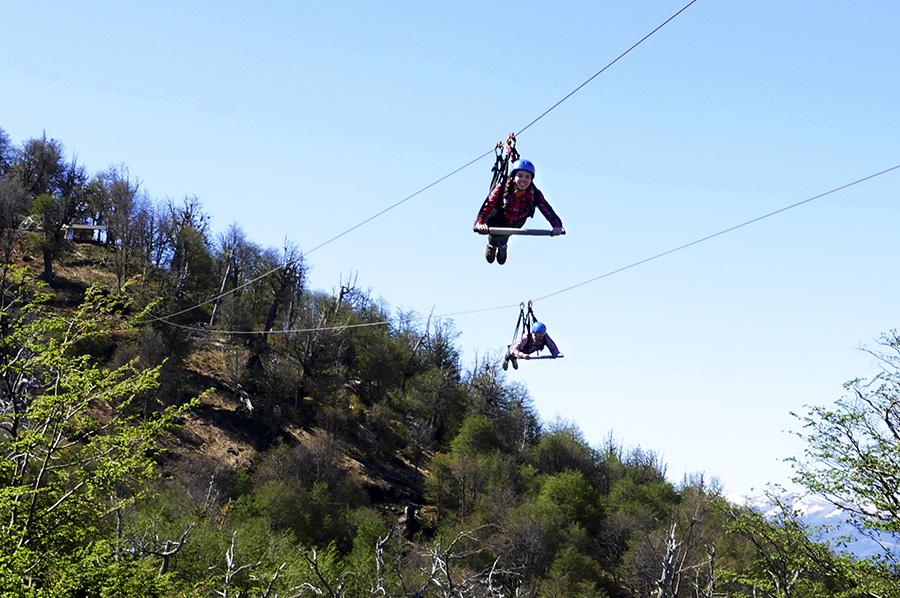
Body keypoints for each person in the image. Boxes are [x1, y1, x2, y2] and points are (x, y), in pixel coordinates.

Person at [473, 159, 565, 265]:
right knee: (496, 233)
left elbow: (546, 208)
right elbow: (489, 203)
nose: (523, 180)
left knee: (505, 233)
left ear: (531, 180)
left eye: (527, 177)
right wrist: (480, 222)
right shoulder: (503, 187)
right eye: (520, 176)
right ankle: (492, 245)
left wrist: (556, 225)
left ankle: (502, 245)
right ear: (513, 177)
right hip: (500, 217)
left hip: (517, 220)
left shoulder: (534, 193)